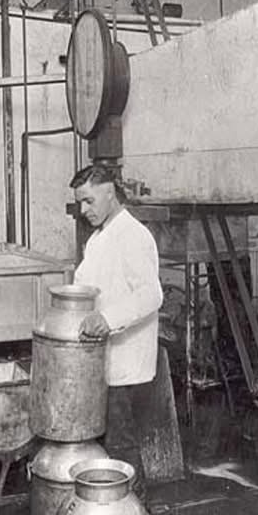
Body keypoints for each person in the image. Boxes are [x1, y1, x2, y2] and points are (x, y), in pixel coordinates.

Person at [71, 164, 163, 477]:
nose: (83, 210)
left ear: (110, 194)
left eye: (89, 201)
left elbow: (151, 295)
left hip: (126, 367)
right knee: (110, 447)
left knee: (122, 448)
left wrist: (107, 319)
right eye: (80, 202)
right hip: (103, 361)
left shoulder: (133, 235)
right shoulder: (98, 239)